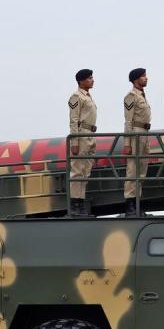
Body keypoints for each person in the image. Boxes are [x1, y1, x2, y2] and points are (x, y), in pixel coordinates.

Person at [122, 68, 151, 217]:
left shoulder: (142, 95)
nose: (146, 78)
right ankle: (130, 206)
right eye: (143, 76)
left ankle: (137, 204)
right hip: (136, 134)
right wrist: (127, 143)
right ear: (135, 79)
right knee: (133, 170)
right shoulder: (131, 96)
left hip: (145, 134)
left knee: (141, 171)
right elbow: (128, 121)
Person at [68, 68, 97, 217]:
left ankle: (80, 203)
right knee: (77, 171)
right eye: (89, 78)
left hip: (90, 134)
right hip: (82, 133)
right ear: (81, 81)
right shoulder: (76, 96)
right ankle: (75, 206)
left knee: (85, 171)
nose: (92, 80)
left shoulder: (88, 96)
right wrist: (74, 141)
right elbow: (74, 120)